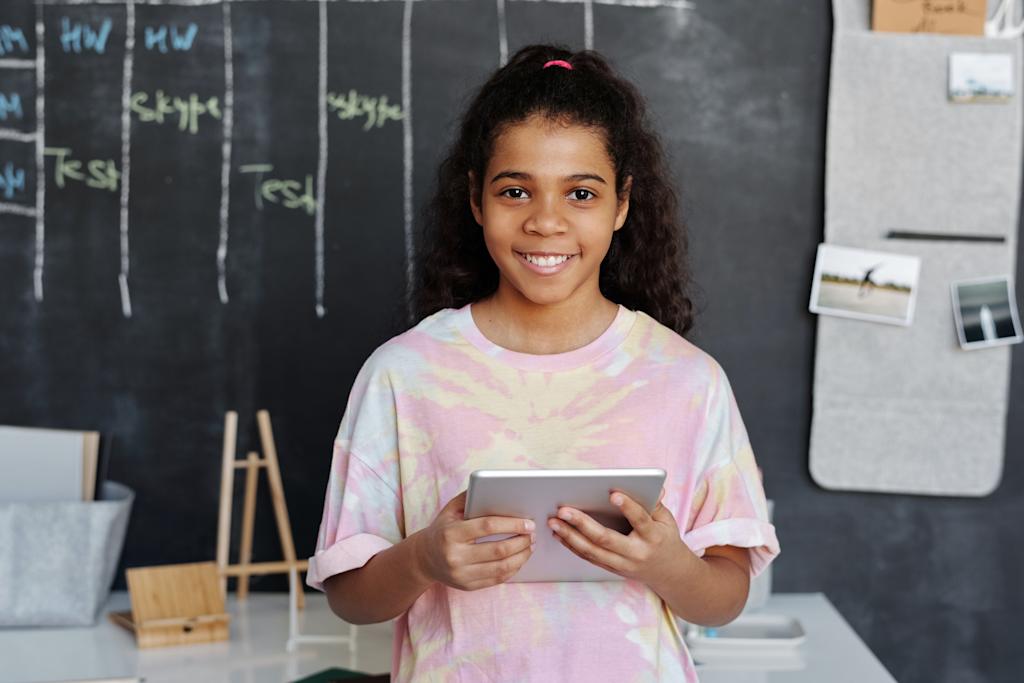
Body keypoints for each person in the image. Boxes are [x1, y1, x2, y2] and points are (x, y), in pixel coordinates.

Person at [306, 44, 780, 681]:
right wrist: (422, 561)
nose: (547, 222)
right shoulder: (404, 374)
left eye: (581, 193)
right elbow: (350, 598)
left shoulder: (687, 381)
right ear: (476, 200)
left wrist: (667, 563)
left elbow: (724, 598)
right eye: (515, 190)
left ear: (622, 204)